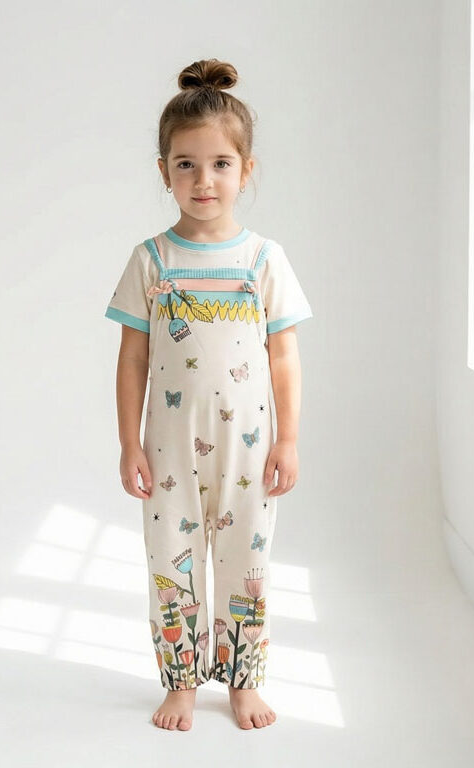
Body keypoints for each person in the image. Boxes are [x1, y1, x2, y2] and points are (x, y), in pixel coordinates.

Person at [104, 58, 313, 731]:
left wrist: (287, 439)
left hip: (247, 449)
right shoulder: (151, 260)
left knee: (246, 560)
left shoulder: (263, 260)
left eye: (220, 164)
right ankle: (182, 682)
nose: (203, 180)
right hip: (169, 449)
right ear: (164, 171)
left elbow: (284, 355)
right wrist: (129, 442)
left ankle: (244, 680)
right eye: (186, 165)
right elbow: (133, 358)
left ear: (245, 170)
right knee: (171, 563)